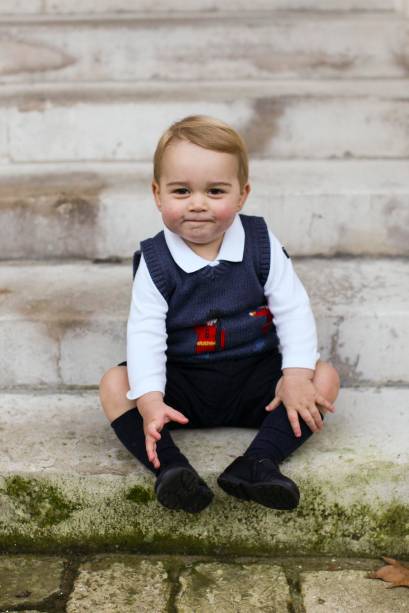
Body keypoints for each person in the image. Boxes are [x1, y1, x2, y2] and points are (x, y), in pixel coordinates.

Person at [99, 115, 340, 514]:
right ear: (157, 195)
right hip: (183, 384)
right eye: (181, 191)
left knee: (324, 376)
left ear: (242, 195)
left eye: (214, 191)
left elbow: (293, 308)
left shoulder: (261, 243)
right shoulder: (156, 262)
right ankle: (172, 471)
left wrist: (295, 377)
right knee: (114, 384)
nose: (197, 204)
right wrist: (151, 399)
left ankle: (258, 463)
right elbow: (145, 333)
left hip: (254, 379)